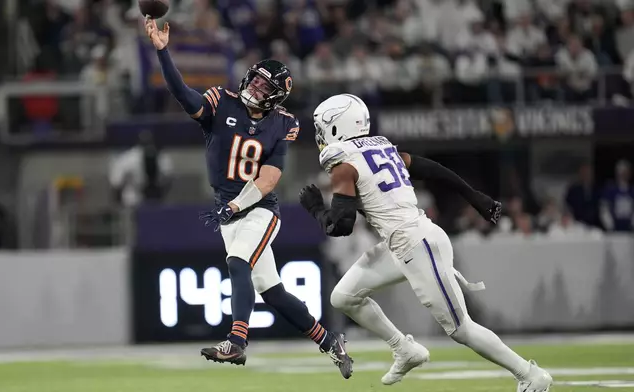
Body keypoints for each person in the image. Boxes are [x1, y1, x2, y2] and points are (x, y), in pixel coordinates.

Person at [299, 93, 553, 391]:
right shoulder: (381, 147)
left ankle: (530, 374)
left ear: (335, 127)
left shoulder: (343, 164)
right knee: (343, 297)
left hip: (416, 243)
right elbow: (431, 168)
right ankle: (404, 349)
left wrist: (316, 209)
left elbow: (341, 225)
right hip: (404, 241)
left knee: (461, 329)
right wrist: (475, 196)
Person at [144, 18, 353, 377]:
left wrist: (236, 205)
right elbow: (183, 95)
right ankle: (329, 340)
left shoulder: (283, 123)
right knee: (271, 291)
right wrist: (163, 52)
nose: (254, 87)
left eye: (262, 86)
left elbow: (269, 178)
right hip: (229, 212)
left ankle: (237, 342)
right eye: (253, 80)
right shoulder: (221, 102)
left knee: (238, 263)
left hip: (258, 210)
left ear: (276, 96)